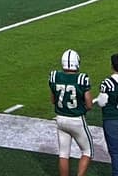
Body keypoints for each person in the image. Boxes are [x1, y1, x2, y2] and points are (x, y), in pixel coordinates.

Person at [50, 48, 94, 176]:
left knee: (63, 154)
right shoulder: (81, 78)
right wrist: (81, 109)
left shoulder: (55, 76)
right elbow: (89, 104)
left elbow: (53, 100)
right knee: (88, 152)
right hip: (76, 120)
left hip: (60, 119)